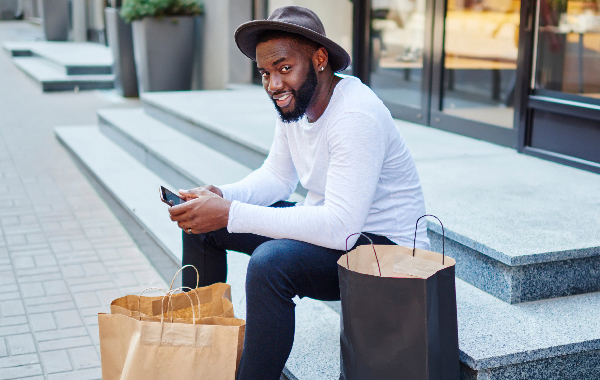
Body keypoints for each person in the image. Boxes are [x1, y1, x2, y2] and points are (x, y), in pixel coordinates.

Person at [168, 6, 430, 380]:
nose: (273, 84)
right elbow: (276, 177)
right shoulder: (295, 104)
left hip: (387, 252)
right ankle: (201, 360)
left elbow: (342, 227)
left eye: (284, 68)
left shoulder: (356, 115)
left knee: (270, 264)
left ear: (319, 59)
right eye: (265, 73)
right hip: (340, 232)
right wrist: (217, 196)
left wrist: (230, 211)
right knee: (200, 224)